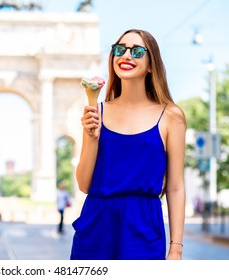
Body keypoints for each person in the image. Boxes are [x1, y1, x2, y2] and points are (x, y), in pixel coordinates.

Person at [70, 29, 186, 260]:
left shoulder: (171, 116)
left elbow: (175, 187)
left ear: (152, 64)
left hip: (143, 227)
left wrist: (176, 247)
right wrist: (91, 136)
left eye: (137, 51)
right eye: (120, 49)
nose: (126, 55)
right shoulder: (97, 112)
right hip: (96, 225)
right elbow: (84, 184)